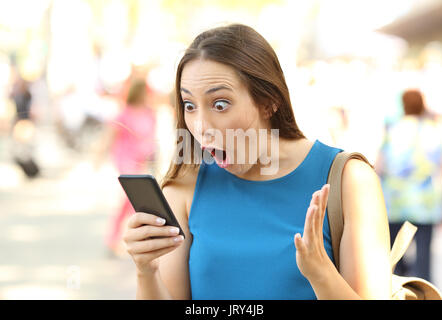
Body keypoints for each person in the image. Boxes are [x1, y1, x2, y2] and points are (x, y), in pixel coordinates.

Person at [123, 24, 392, 299]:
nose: (201, 126)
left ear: (269, 102)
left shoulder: (350, 179)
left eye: (220, 104)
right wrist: (146, 270)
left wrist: (321, 274)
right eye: (189, 105)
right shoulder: (183, 189)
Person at [375, 89, 442, 282]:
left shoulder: (392, 130)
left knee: (395, 261)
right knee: (424, 261)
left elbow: (379, 168)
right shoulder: (432, 131)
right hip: (426, 204)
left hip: (395, 203)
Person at [95, 79, 157, 257]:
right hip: (125, 160)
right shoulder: (124, 114)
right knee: (132, 198)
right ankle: (117, 239)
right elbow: (109, 136)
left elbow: (151, 139)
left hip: (142, 162)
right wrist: (98, 157)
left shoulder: (150, 114)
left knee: (131, 202)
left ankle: (121, 239)